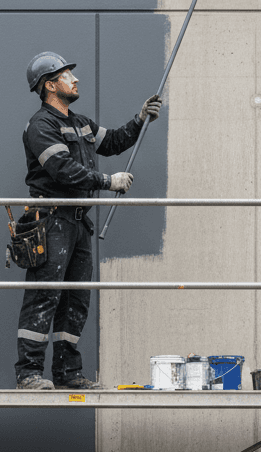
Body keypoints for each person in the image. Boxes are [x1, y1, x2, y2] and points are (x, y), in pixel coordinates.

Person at [15, 52, 162, 391]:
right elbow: (63, 170)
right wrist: (108, 182)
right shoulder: (41, 126)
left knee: (76, 299)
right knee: (44, 297)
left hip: (78, 224)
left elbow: (111, 142)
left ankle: (67, 374)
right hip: (50, 221)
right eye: (67, 75)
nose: (75, 79)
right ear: (50, 85)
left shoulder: (79, 123)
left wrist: (140, 120)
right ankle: (29, 375)